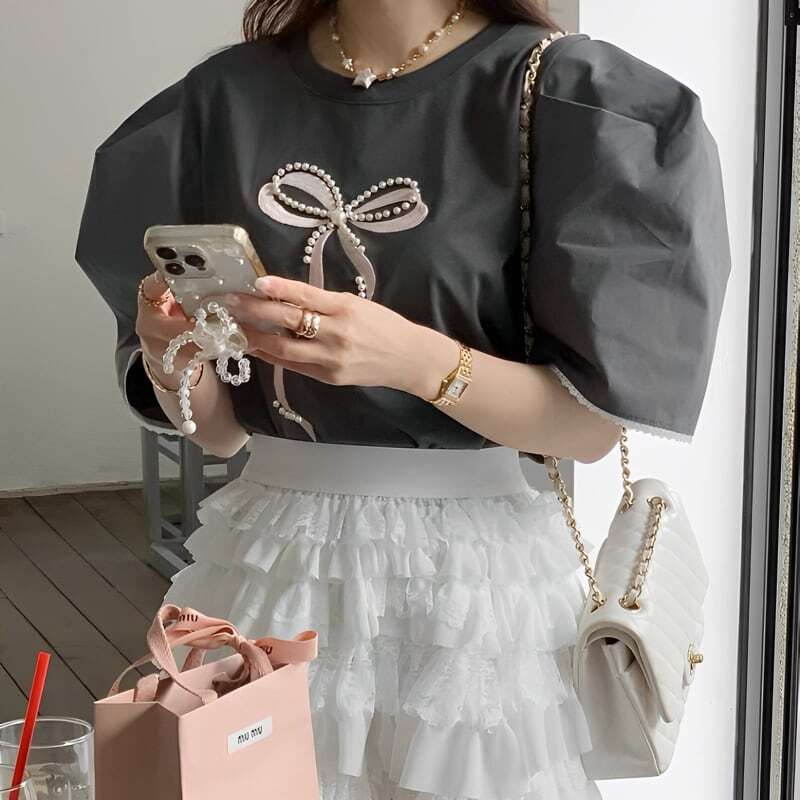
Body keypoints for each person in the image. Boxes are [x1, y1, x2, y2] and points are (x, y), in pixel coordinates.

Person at [74, 1, 732, 797]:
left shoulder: (561, 91)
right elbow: (221, 435)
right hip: (270, 558)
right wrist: (166, 345)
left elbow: (587, 431)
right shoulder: (223, 97)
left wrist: (411, 361)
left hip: (474, 585)